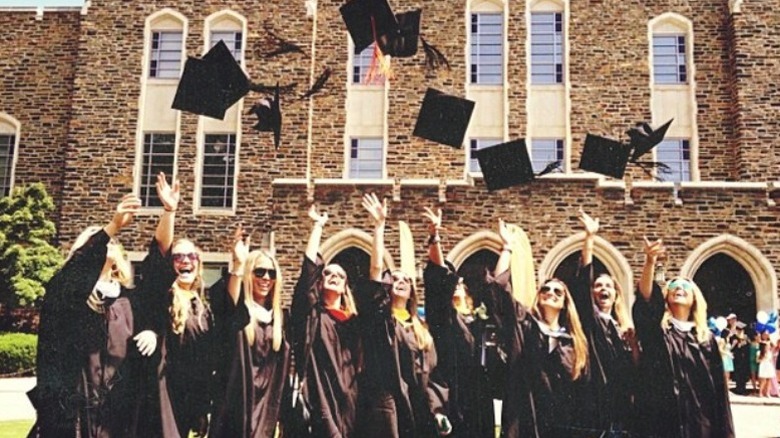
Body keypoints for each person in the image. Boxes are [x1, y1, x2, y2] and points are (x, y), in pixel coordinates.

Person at [30, 194, 158, 437]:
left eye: (108, 240)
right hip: (74, 415)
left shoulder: (128, 299)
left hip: (116, 417)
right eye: (94, 240)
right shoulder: (64, 292)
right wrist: (112, 226)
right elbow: (76, 273)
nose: (102, 242)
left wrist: (152, 331)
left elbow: (155, 300)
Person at [355, 194, 450, 437]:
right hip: (388, 411)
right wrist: (379, 227)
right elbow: (375, 272)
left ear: (412, 291)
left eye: (405, 280)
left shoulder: (422, 330)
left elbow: (433, 376)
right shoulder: (381, 319)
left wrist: (437, 411)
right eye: (394, 279)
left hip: (419, 412)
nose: (399, 282)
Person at [488, 219, 589, 437]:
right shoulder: (525, 326)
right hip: (526, 421)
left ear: (564, 303)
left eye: (557, 291)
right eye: (546, 289)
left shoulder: (573, 343)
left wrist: (588, 240)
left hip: (564, 424)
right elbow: (499, 288)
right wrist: (507, 248)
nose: (550, 293)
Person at [633, 237, 734, 437]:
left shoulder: (706, 339)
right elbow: (645, 300)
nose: (679, 288)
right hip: (662, 425)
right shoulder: (658, 333)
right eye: (673, 286)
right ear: (665, 296)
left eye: (685, 286)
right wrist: (650, 262)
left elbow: (719, 394)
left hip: (700, 425)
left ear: (695, 298)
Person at [138, 173, 214, 437]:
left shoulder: (203, 308)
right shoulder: (160, 294)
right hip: (158, 395)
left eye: (191, 256)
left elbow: (205, 362)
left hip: (187, 400)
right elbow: (159, 254)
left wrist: (202, 407)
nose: (185, 260)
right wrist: (169, 211)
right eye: (178, 256)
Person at [421, 206, 501, 437]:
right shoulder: (442, 315)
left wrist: (507, 249)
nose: (452, 283)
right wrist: (435, 237)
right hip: (450, 394)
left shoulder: (480, 323)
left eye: (456, 281)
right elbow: (437, 278)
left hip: (480, 399)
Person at [209, 226, 291, 437]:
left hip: (266, 407)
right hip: (235, 405)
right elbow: (228, 306)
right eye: (259, 271)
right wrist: (238, 264)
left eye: (271, 273)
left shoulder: (280, 318)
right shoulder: (240, 313)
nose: (266, 278)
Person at [289, 204, 362, 437]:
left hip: (349, 398)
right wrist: (318, 227)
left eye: (340, 275)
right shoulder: (312, 314)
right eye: (328, 273)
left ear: (345, 287)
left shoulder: (353, 322)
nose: (333, 277)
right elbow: (308, 271)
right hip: (319, 394)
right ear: (320, 283)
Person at [570, 209, 637, 435]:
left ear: (617, 294)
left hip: (621, 407)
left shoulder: (623, 329)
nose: (603, 289)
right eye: (598, 286)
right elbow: (584, 279)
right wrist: (590, 238)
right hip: (593, 403)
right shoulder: (591, 320)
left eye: (608, 286)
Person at [729, 322, 750, 395]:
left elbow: (748, 348)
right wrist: (737, 345)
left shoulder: (746, 337)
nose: (740, 331)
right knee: (738, 374)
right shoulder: (733, 337)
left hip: (744, 359)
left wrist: (745, 344)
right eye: (738, 329)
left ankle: (743, 388)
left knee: (744, 374)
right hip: (737, 358)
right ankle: (738, 388)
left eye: (741, 330)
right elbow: (731, 349)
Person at [758, 331, 775, 397]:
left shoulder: (770, 352)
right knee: (763, 380)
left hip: (769, 366)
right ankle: (760, 392)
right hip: (763, 365)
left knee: (769, 380)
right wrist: (762, 357)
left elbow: (773, 346)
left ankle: (767, 392)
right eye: (766, 346)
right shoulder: (760, 352)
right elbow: (758, 360)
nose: (768, 347)